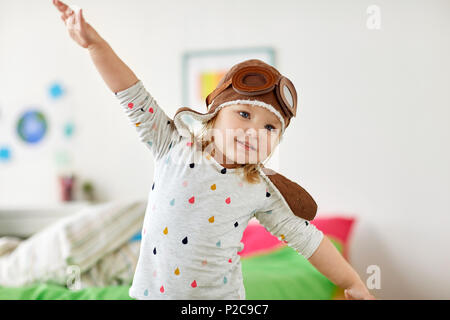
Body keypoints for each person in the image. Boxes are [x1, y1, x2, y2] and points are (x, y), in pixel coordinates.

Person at [52, 0, 375, 300]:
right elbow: (130, 93)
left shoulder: (260, 188)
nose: (254, 131)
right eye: (244, 114)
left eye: (269, 127)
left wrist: (352, 282)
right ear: (213, 117)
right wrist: (96, 46)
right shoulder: (171, 144)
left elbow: (309, 240)